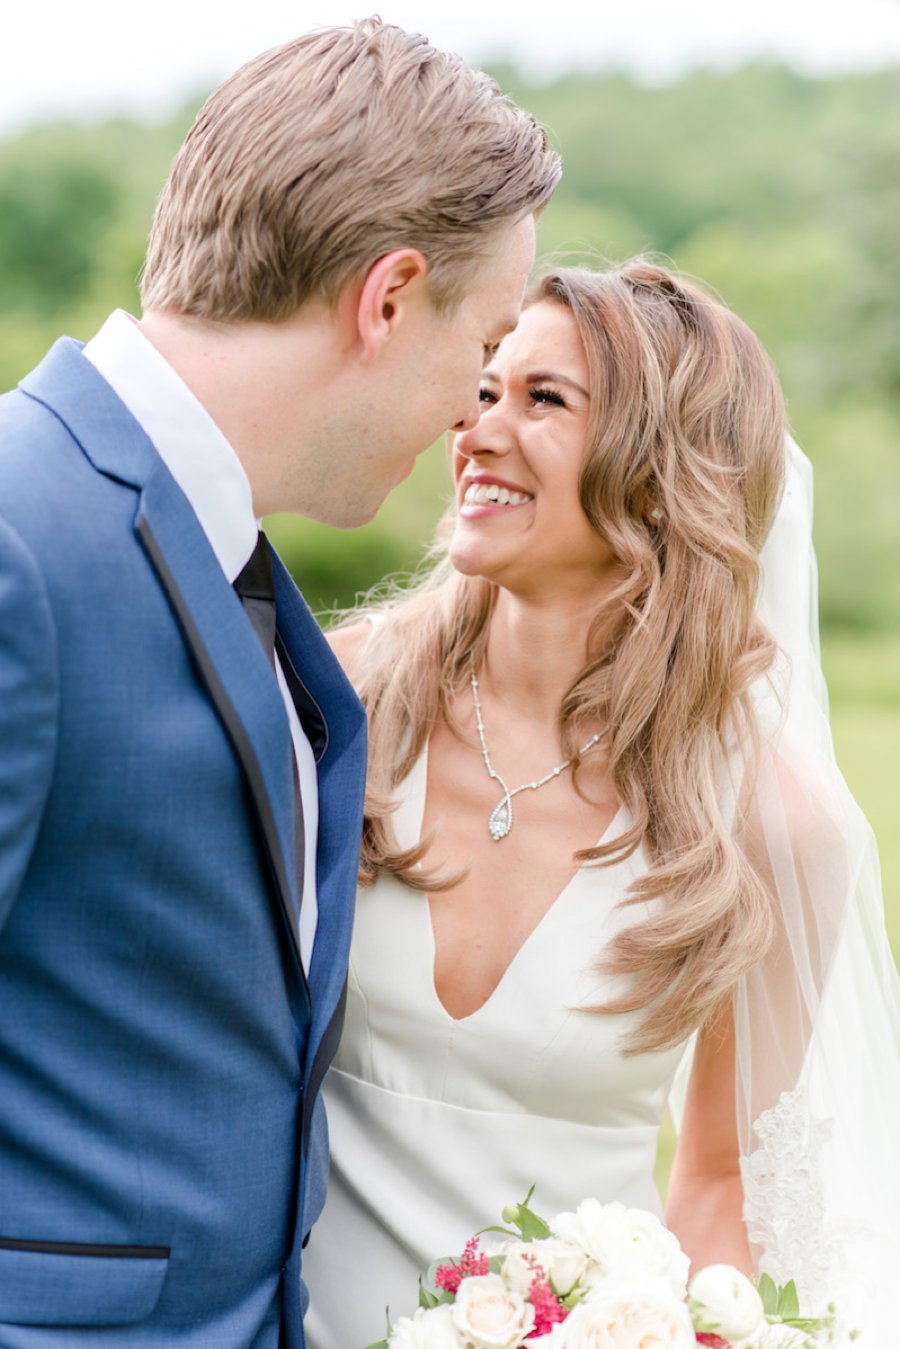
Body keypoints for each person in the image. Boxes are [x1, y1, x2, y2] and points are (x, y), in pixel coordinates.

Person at [0, 20, 560, 1347]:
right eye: (478, 350)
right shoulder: (20, 531)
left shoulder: (224, 553)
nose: (467, 416)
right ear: (388, 295)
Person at [304, 260, 900, 1347]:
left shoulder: (768, 823)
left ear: (663, 476)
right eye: (486, 388)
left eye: (544, 400)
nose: (477, 430)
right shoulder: (339, 705)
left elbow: (723, 1186)